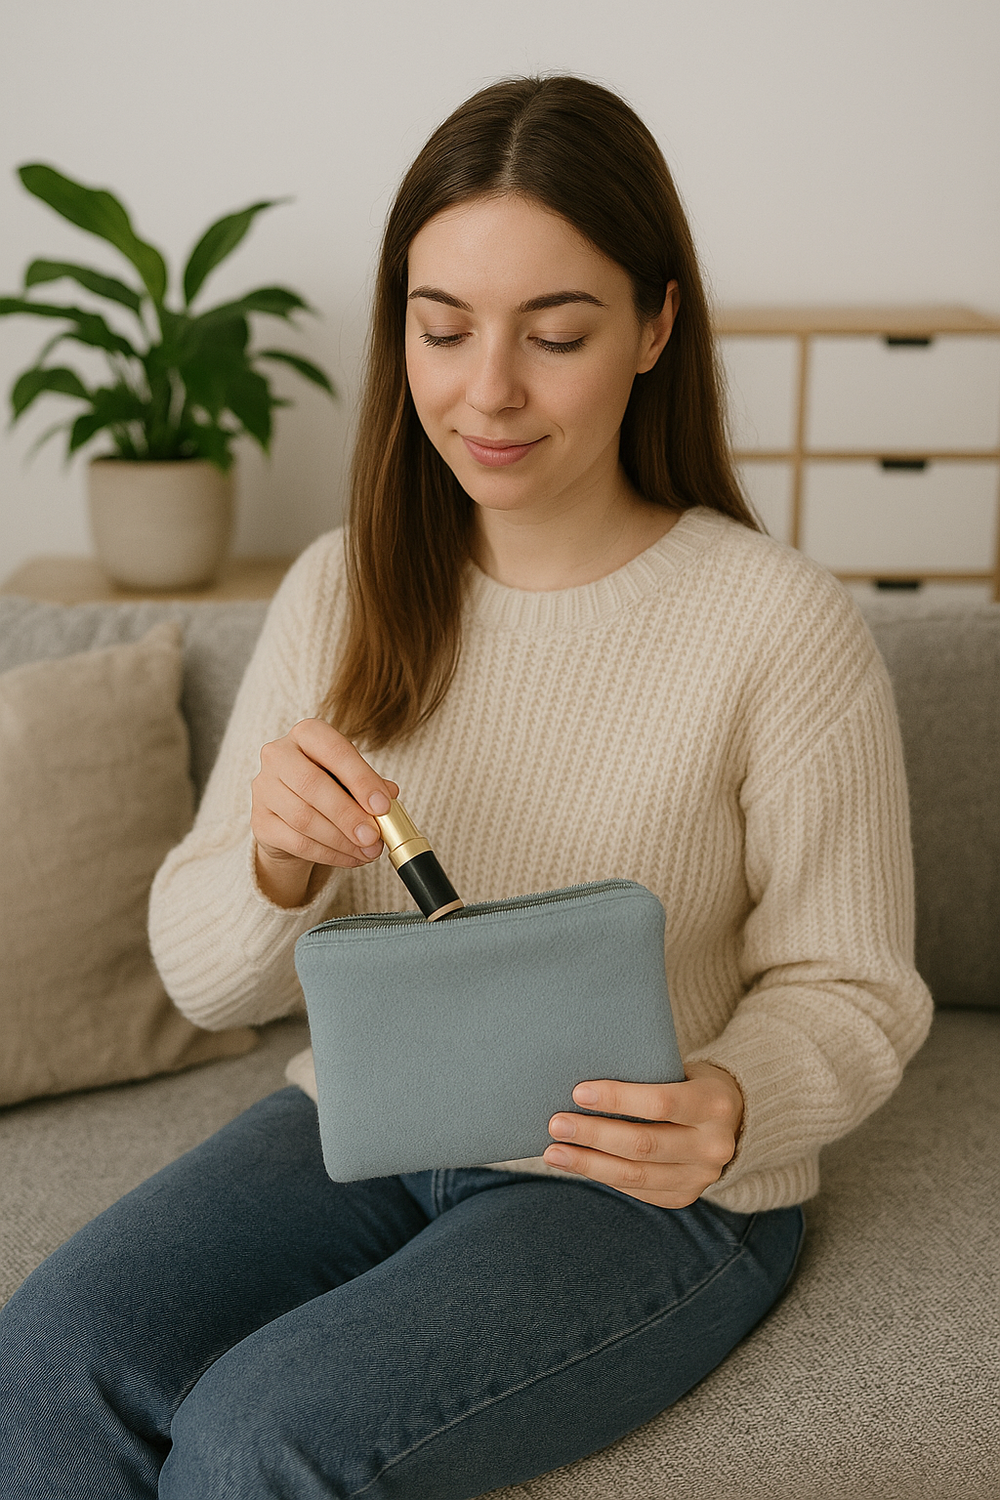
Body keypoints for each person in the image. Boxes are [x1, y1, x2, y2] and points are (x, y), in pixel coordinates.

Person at [0, 74, 932, 1498]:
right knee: (49, 1361)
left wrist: (739, 1099)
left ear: (654, 329)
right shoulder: (344, 589)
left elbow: (856, 984)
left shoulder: (777, 625)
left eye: (555, 335)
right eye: (442, 329)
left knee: (265, 1438)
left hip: (647, 1186)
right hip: (365, 1125)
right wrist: (270, 866)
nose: (485, 390)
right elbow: (203, 981)